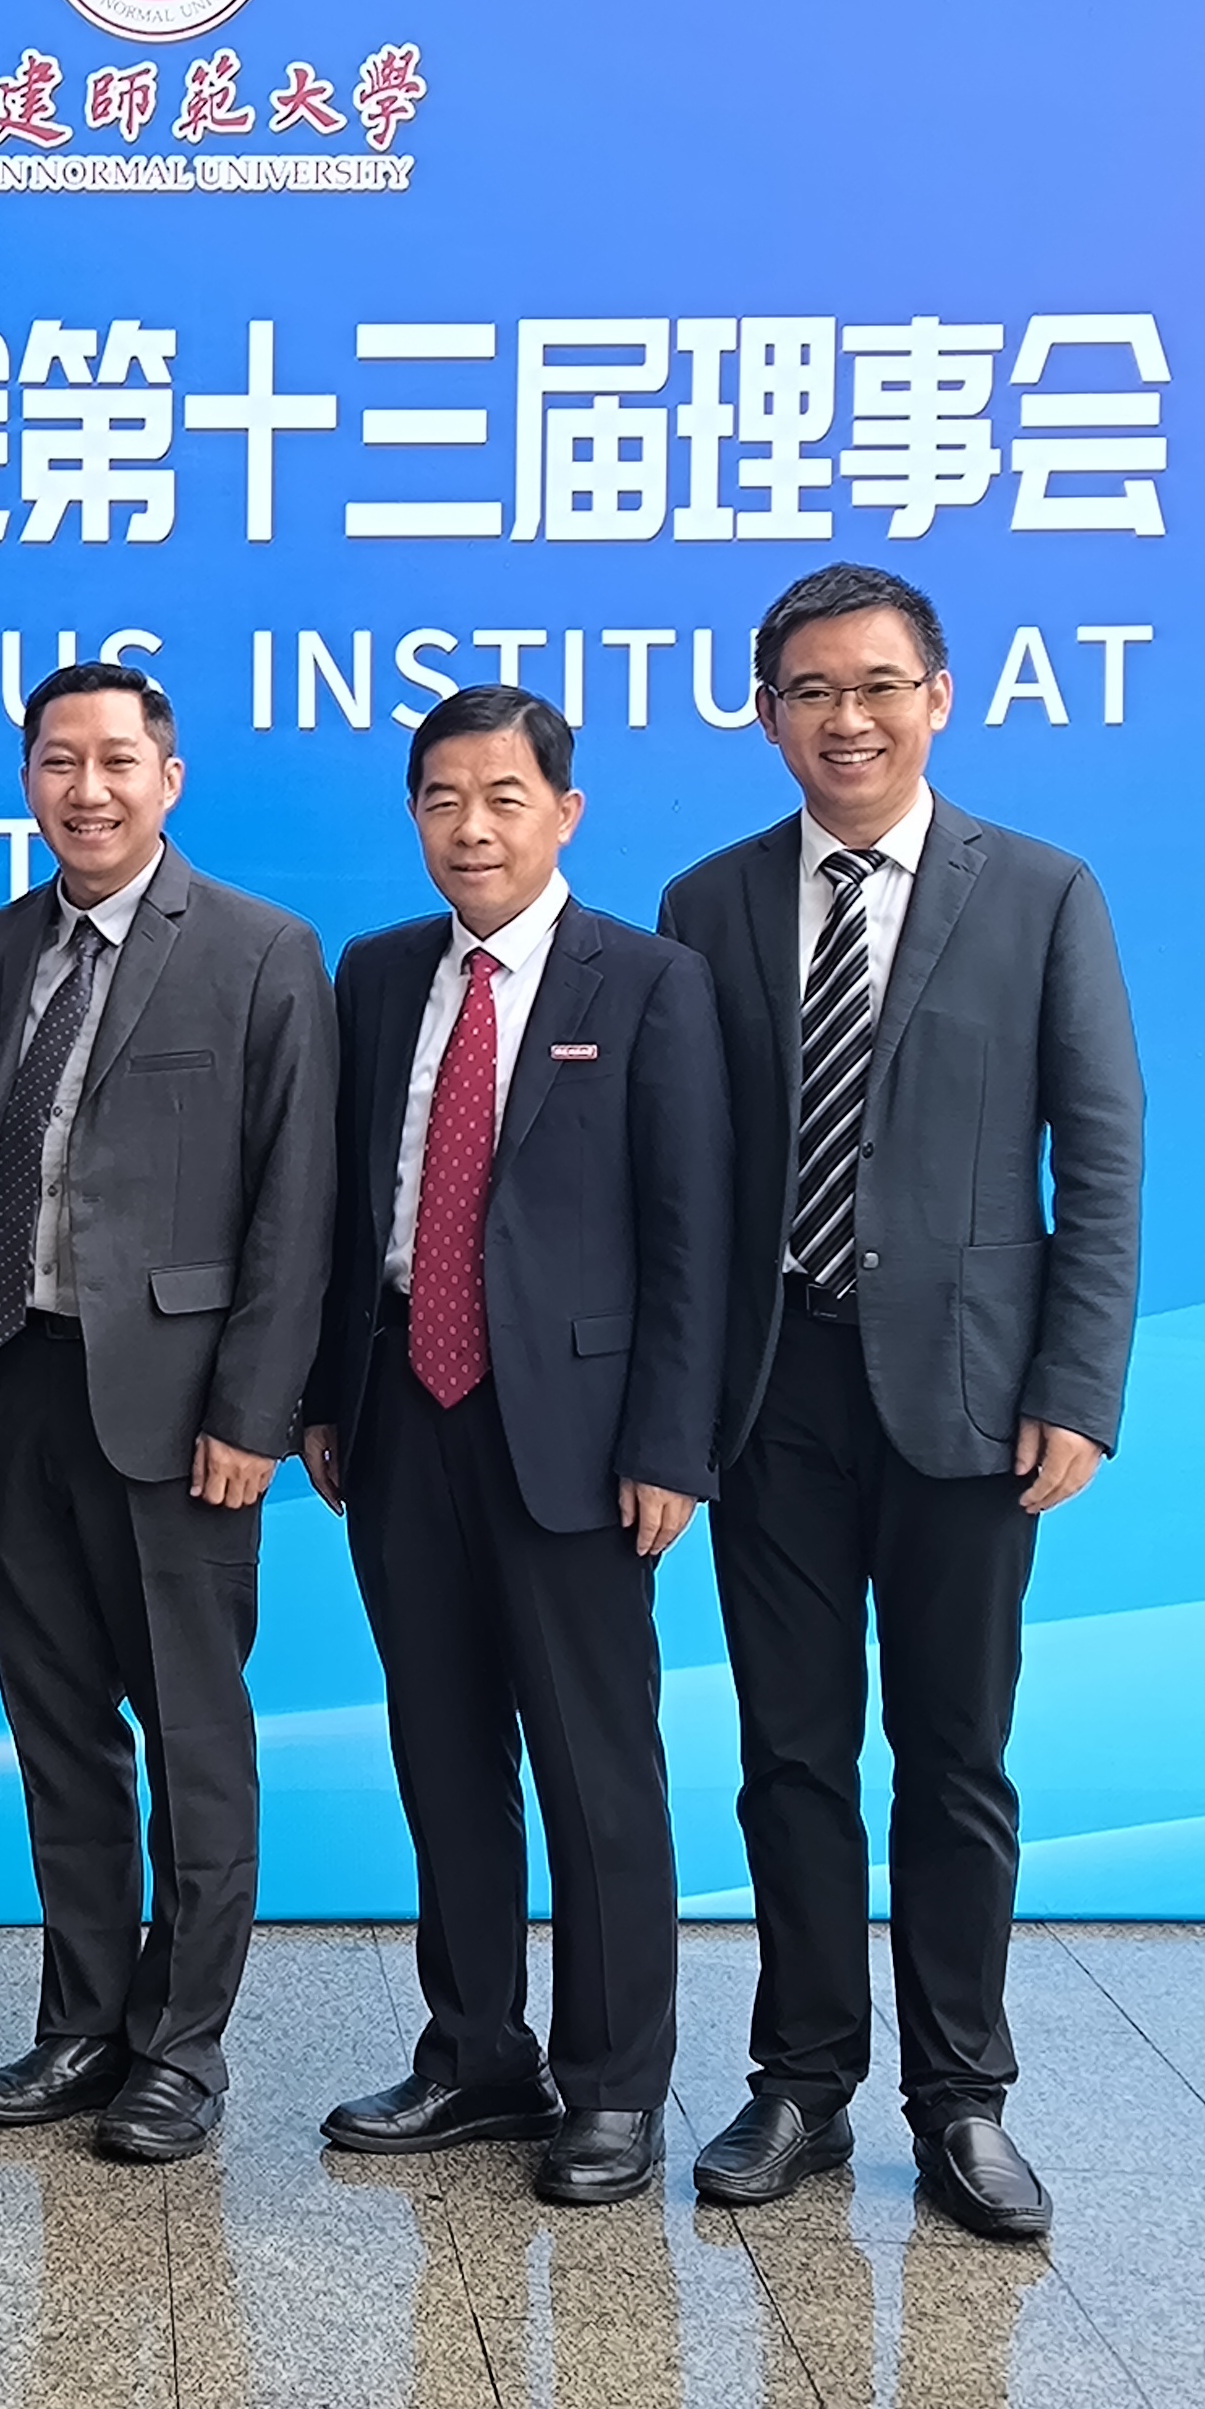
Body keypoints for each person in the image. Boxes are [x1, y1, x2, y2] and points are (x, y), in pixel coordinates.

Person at [660, 566, 1140, 2242]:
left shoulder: (1043, 892)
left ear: (939, 697)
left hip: (970, 1396)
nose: (845, 718)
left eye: (877, 685)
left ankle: (963, 2102)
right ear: (767, 714)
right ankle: (801, 2079)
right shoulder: (710, 900)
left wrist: (1077, 1385)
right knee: (788, 1753)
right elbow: (683, 1174)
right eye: (810, 690)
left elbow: (1102, 1156)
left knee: (953, 1756)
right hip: (771, 1388)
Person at [300, 686, 732, 2206]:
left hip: (580, 1437)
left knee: (597, 1769)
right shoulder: (377, 975)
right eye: (441, 799)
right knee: (443, 1751)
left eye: (502, 797)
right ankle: (478, 2051)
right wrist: (324, 1398)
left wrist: (671, 1443)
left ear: (565, 812)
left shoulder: (650, 980)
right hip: (402, 1414)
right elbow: (347, 1208)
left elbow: (693, 1231)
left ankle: (613, 2086)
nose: (470, 828)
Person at [0, 660, 334, 2161]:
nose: (87, 789)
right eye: (60, 761)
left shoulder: (257, 949)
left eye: (117, 761)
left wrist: (254, 1414)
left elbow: (296, 1203)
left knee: (192, 1735)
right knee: (58, 1731)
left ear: (169, 779)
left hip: (181, 1418)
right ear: (28, 781)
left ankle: (182, 2048)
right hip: (16, 1383)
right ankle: (83, 2024)